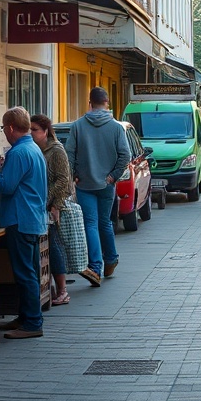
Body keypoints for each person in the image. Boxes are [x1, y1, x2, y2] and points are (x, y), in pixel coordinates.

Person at [65, 86, 130, 287]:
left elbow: (69, 154)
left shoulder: (77, 126)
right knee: (105, 223)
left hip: (85, 184)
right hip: (106, 184)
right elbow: (125, 155)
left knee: (90, 224)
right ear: (107, 103)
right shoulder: (116, 127)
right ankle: (111, 259)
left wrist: (75, 174)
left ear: (90, 103)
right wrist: (112, 176)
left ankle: (95, 267)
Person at [0, 107, 48, 339]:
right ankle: (26, 317)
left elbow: (6, 186)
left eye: (4, 128)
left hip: (20, 218)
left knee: (25, 273)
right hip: (32, 218)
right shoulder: (34, 148)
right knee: (29, 271)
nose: (4, 132)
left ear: (11, 128)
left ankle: (32, 323)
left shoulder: (17, 153)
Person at [30, 113, 73, 306]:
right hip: (40, 207)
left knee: (54, 247)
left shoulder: (56, 150)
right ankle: (51, 289)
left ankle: (63, 290)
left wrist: (53, 203)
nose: (31, 133)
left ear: (46, 131)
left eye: (35, 130)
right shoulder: (35, 150)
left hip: (54, 206)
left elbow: (64, 179)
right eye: (29, 129)